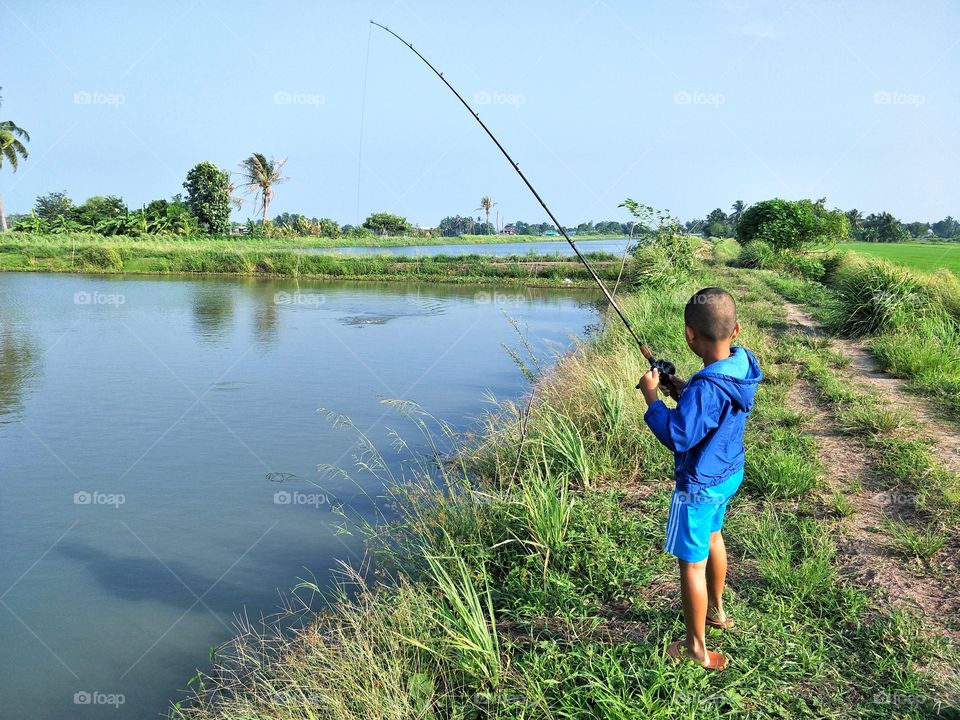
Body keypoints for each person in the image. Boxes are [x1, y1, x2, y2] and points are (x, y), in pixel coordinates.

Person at [636, 287, 762, 670]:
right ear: (736, 329)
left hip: (699, 485)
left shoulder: (707, 386)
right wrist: (685, 390)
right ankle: (718, 612)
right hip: (728, 473)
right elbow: (710, 404)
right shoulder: (741, 366)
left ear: (690, 335)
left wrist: (654, 399)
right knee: (714, 537)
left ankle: (696, 649)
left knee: (691, 563)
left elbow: (679, 436)